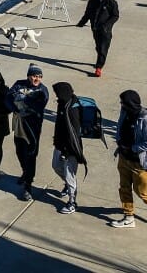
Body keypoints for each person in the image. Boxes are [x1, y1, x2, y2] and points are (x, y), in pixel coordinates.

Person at [110, 90, 147, 228]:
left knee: (141, 191)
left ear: (130, 103)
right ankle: (128, 217)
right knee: (124, 188)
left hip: (140, 163)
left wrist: (132, 148)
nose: (121, 104)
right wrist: (120, 143)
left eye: (123, 102)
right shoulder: (125, 112)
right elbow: (120, 127)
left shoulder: (145, 118)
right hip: (123, 157)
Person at [5, 64, 50, 201]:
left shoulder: (43, 90)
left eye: (39, 76)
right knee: (19, 150)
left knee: (31, 154)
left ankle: (28, 186)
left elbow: (38, 105)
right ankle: (25, 172)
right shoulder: (19, 84)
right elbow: (7, 98)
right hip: (19, 125)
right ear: (28, 76)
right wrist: (16, 108)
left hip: (33, 128)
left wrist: (21, 99)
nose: (37, 78)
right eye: (34, 75)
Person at [51, 82, 86, 214]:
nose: (55, 95)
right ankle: (67, 185)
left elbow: (74, 133)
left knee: (70, 175)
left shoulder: (72, 109)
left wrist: (68, 151)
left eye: (57, 92)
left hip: (70, 149)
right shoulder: (63, 103)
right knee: (55, 166)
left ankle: (72, 202)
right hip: (59, 144)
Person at [76, 0, 119, 77]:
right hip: (95, 29)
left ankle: (99, 67)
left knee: (103, 48)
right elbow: (87, 13)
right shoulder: (92, 0)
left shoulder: (111, 3)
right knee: (98, 47)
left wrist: (107, 25)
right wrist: (81, 23)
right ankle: (101, 57)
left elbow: (115, 16)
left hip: (105, 31)